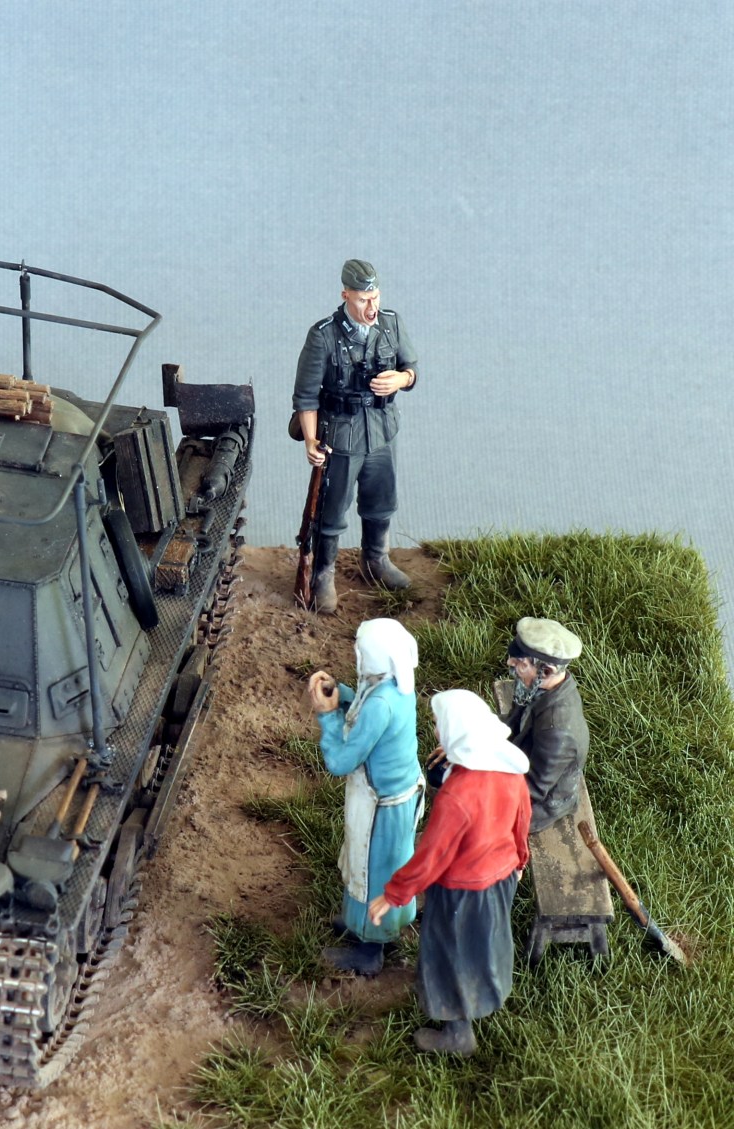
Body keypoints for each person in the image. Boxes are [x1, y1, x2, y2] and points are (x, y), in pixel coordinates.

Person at [368, 689, 531, 1057]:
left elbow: (432, 856)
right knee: (485, 942)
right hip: (501, 877)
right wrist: (520, 860)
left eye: (439, 726)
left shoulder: (457, 795)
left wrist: (395, 893)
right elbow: (522, 822)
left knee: (450, 952)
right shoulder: (509, 771)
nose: (436, 731)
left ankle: (458, 1033)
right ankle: (487, 991)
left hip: (461, 890)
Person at [292, 259, 419, 613]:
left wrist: (401, 379)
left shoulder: (391, 324)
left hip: (382, 430)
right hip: (342, 435)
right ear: (346, 295)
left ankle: (376, 558)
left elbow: (412, 368)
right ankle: (323, 572)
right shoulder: (323, 335)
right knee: (332, 509)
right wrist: (311, 440)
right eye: (363, 299)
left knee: (382, 499)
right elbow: (306, 397)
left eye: (375, 297)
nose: (371, 306)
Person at [307, 618, 423, 976]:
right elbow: (365, 700)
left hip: (381, 807)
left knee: (373, 872)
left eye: (361, 649)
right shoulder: (394, 683)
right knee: (370, 866)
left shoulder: (381, 705)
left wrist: (328, 717)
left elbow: (341, 762)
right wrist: (343, 694)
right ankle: (359, 920)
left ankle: (371, 948)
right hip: (392, 794)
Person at [502, 617, 588, 833]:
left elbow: (533, 789)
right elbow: (512, 724)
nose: (510, 663)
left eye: (521, 663)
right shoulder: (535, 686)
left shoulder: (557, 731)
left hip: (539, 802)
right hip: (524, 756)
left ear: (547, 671)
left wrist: (481, 780)